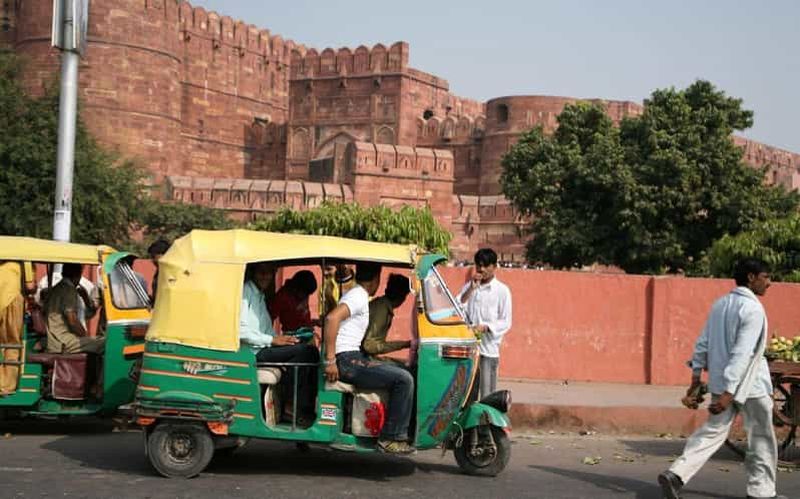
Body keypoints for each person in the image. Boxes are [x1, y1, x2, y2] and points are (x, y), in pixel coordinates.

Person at [658, 258, 786, 499]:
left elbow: (702, 343)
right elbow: (742, 353)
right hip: (750, 386)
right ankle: (762, 492)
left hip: (722, 384)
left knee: (711, 432)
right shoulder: (753, 309)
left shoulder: (720, 304)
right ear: (751, 277)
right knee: (761, 437)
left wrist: (696, 378)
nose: (769, 283)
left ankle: (676, 474)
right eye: (766, 277)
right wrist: (730, 393)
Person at [324, 263, 416, 455]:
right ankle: (391, 437)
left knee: (404, 373)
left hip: (351, 356)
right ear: (376, 278)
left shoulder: (360, 295)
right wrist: (330, 361)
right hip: (347, 359)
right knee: (404, 379)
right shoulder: (358, 296)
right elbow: (332, 319)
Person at [239, 262, 319, 423]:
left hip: (266, 345)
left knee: (309, 352)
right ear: (254, 272)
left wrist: (281, 341)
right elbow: (241, 331)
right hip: (254, 351)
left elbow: (267, 329)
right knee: (307, 352)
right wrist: (273, 340)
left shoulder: (259, 294)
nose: (265, 276)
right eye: (261, 272)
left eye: (268, 273)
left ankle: (298, 405)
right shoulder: (246, 292)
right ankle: (292, 406)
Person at [457, 248, 512, 398]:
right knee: (466, 395)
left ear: (494, 267)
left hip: (488, 351)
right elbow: (458, 308)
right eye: (478, 265)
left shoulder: (502, 291)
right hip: (469, 350)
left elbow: (506, 321)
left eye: (485, 265)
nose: (481, 269)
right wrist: (470, 290)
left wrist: (487, 327)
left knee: (487, 396)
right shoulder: (470, 287)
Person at [43, 263, 105, 354]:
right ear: (77, 275)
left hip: (55, 339)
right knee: (105, 343)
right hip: (63, 341)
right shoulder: (69, 290)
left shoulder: (56, 288)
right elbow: (72, 320)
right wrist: (85, 335)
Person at [362, 273, 412, 361]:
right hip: (362, 357)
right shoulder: (382, 309)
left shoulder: (382, 305)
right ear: (402, 297)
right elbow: (369, 346)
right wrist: (405, 344)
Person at [0, 262, 24, 394]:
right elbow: (30, 286)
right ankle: (6, 386)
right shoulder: (22, 260)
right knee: (12, 344)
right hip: (12, 299)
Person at [147, 238, 170, 303]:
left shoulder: (170, 273)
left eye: (153, 256)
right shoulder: (159, 272)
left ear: (162, 254)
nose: (152, 260)